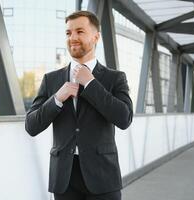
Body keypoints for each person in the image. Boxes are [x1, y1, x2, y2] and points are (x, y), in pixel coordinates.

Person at [25, 10, 133, 200]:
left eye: (80, 31)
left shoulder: (115, 78)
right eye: (68, 33)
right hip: (64, 178)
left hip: (103, 176)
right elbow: (31, 126)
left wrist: (91, 84)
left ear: (96, 36)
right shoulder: (51, 80)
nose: (73, 37)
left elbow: (124, 118)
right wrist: (57, 98)